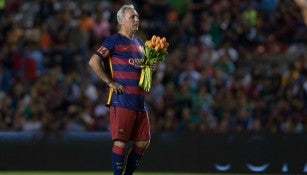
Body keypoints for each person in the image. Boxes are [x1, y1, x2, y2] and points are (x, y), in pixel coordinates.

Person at [88, 4, 150, 175]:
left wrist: (149, 68)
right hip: (122, 99)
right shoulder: (113, 40)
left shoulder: (139, 43)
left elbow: (141, 70)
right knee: (121, 142)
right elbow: (93, 61)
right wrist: (110, 82)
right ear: (121, 21)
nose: (137, 19)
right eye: (132, 17)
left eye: (137, 16)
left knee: (143, 141)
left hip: (139, 101)